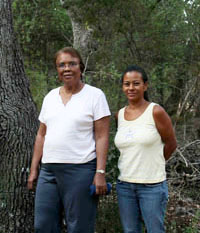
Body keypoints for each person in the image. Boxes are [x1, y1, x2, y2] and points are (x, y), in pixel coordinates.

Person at [27, 47, 110, 233]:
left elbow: (102, 136)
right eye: (61, 65)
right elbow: (41, 134)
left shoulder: (95, 96)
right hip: (48, 171)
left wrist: (100, 172)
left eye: (71, 64)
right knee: (43, 225)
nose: (67, 68)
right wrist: (34, 169)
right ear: (57, 70)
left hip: (80, 170)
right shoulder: (50, 97)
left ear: (80, 67)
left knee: (79, 227)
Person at [114, 65, 177, 233]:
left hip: (152, 186)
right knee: (130, 230)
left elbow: (171, 144)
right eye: (127, 84)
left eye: (136, 83)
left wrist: (153, 164)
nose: (131, 88)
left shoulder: (156, 111)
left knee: (155, 230)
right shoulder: (119, 115)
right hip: (125, 185)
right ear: (122, 87)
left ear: (145, 86)